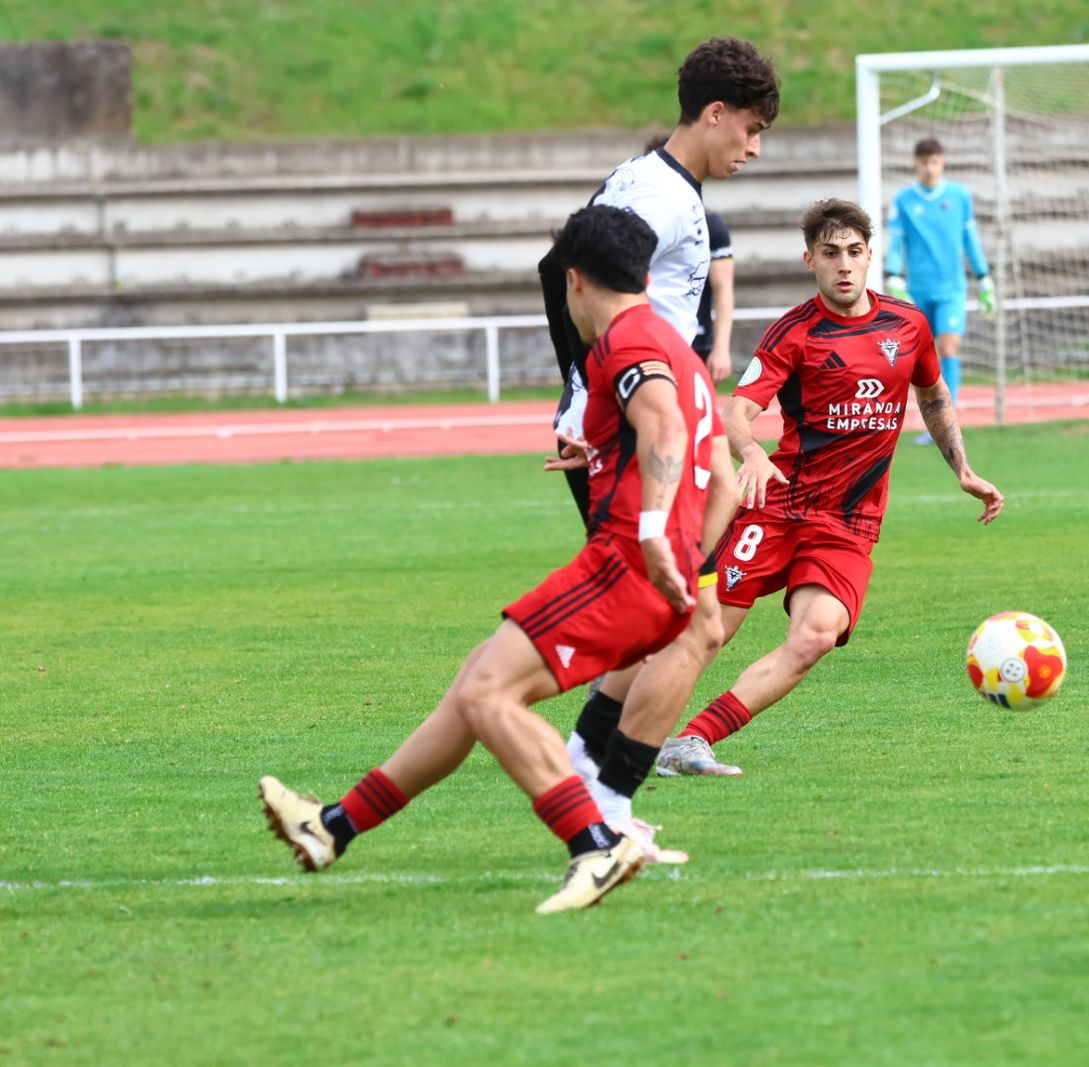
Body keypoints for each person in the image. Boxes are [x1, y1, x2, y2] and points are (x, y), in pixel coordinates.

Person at [258, 205, 734, 912]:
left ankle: (595, 843)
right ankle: (334, 826)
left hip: (621, 568)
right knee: (474, 685)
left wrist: (654, 532)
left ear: (575, 280)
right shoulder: (676, 345)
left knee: (488, 694)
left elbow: (662, 424)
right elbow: (719, 473)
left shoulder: (623, 340)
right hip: (652, 578)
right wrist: (631, 488)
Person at [649, 198, 1005, 777]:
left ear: (870, 258)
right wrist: (751, 453)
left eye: (855, 253)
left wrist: (961, 468)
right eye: (831, 254)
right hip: (780, 505)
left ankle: (691, 740)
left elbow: (933, 396)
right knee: (706, 631)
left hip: (848, 522)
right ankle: (613, 724)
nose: (845, 265)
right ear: (810, 260)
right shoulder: (794, 333)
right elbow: (737, 411)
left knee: (815, 635)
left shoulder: (907, 325)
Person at [543, 37, 778, 518]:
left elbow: (558, 267)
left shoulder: (657, 180)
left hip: (650, 415)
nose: (755, 149)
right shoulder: (659, 199)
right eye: (751, 129)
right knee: (643, 585)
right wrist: (593, 399)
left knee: (695, 577)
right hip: (629, 427)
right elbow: (564, 272)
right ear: (715, 113)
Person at [883, 138, 995, 445]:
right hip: (917, 292)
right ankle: (930, 421)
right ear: (915, 164)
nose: (929, 168)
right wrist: (893, 276)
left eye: (934, 162)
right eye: (924, 163)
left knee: (948, 347)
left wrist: (985, 279)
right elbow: (895, 243)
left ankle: (950, 420)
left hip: (952, 290)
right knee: (920, 359)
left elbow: (970, 240)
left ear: (942, 162)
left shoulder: (959, 196)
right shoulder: (903, 200)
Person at [645, 132, 737, 385]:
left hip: (695, 344)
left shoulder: (711, 226)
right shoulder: (638, 224)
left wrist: (721, 349)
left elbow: (723, 290)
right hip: (648, 344)